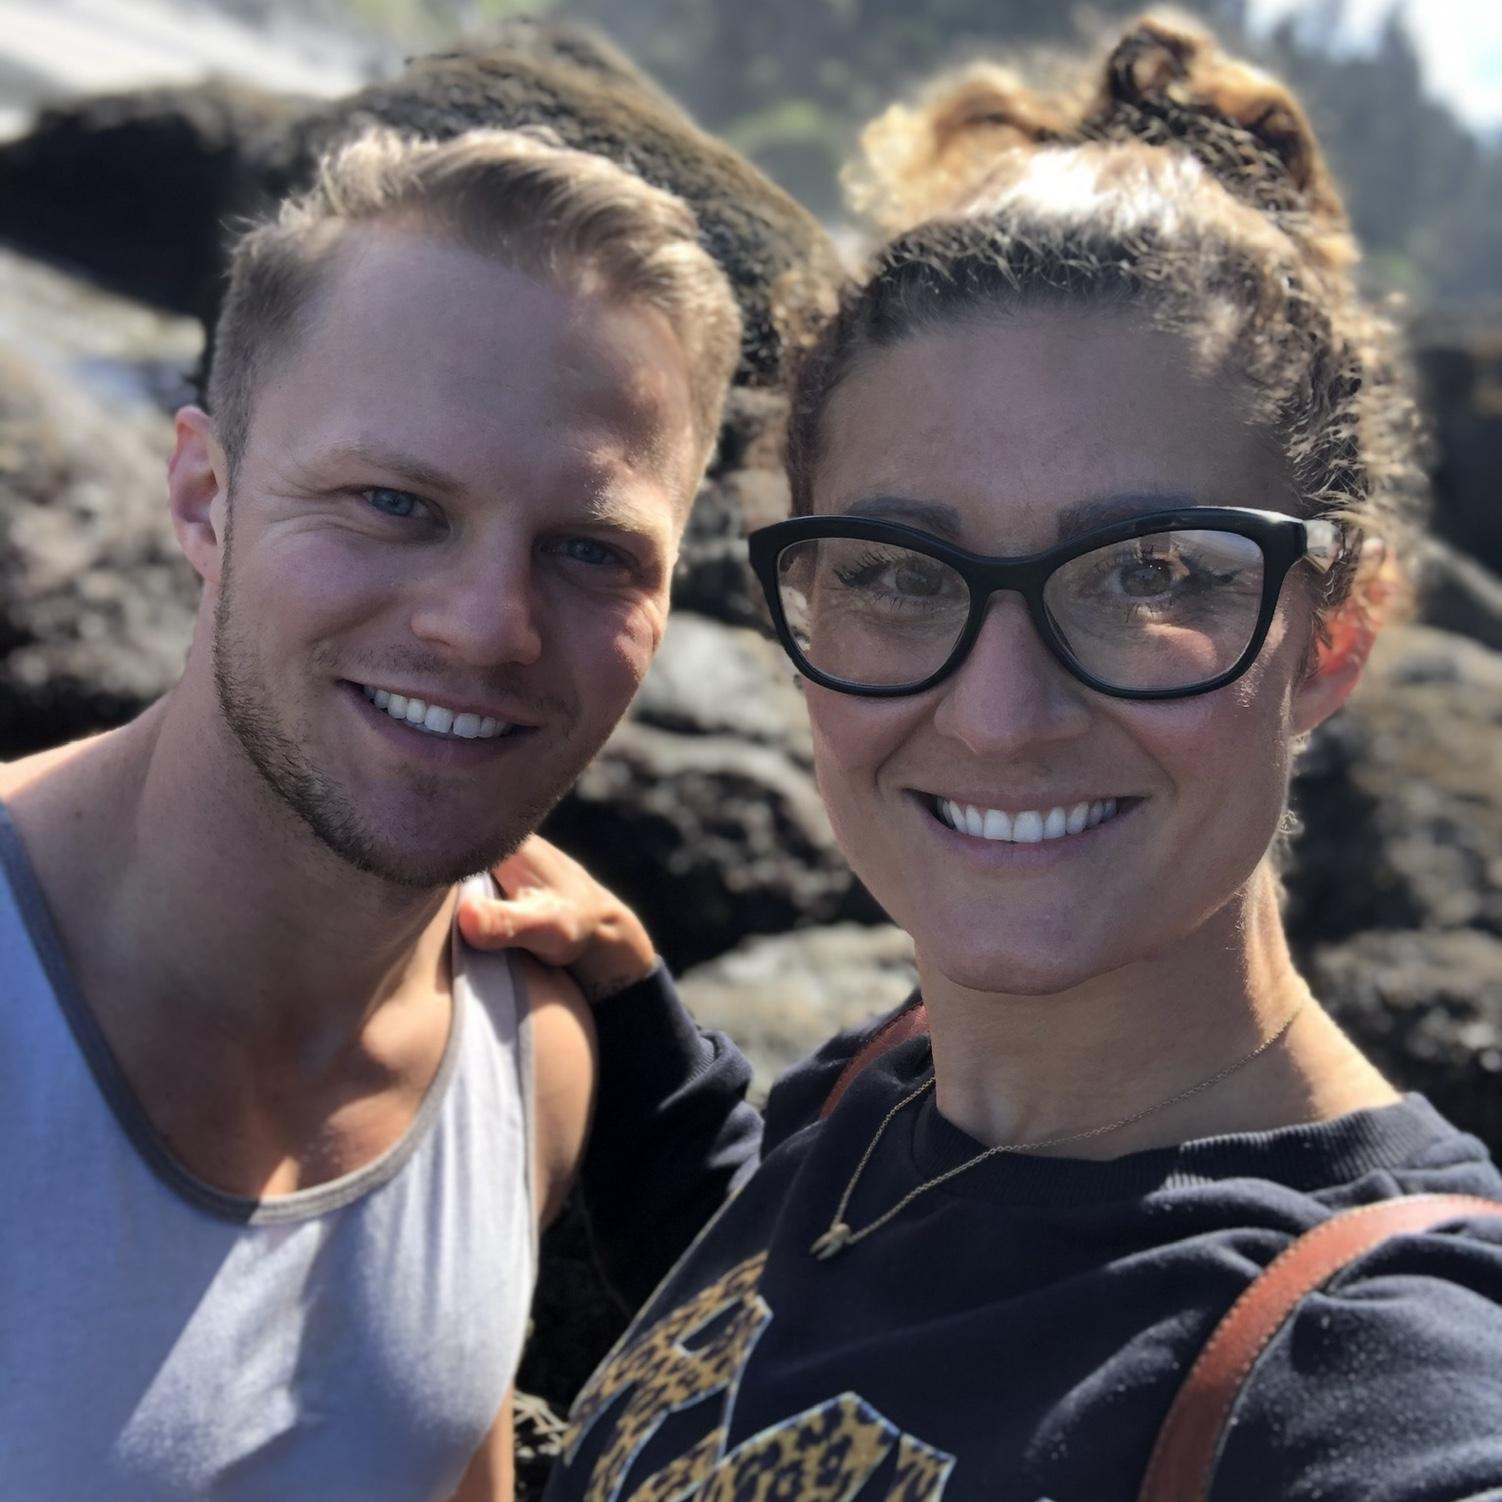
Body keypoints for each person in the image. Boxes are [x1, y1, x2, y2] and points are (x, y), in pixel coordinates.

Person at [521, 16, 1502, 1501]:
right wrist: (635, 1036)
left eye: (1151, 573)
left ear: (1334, 631)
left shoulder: (1362, 1368)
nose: (996, 712)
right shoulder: (878, 1099)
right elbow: (839, 1340)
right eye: (895, 574)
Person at [0, 126, 754, 1500]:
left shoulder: (530, 1055)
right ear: (204, 497)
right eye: (394, 503)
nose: (486, 626)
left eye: (590, 550)